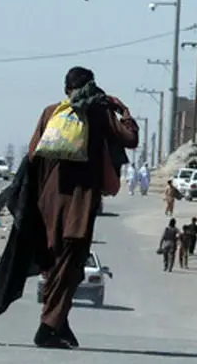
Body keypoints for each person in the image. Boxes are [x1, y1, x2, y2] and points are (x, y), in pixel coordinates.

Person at [27, 66, 138, 348]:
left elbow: (32, 155)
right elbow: (130, 139)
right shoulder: (99, 114)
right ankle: (47, 326)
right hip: (80, 201)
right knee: (71, 264)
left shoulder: (50, 112)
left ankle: (59, 325)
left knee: (58, 266)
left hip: (48, 201)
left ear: (66, 90)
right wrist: (122, 109)